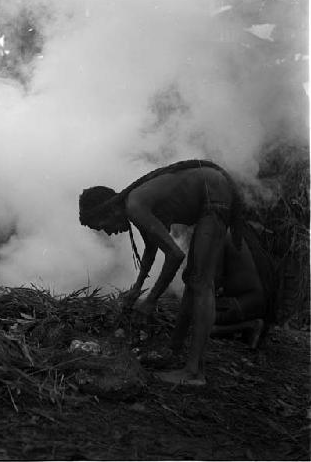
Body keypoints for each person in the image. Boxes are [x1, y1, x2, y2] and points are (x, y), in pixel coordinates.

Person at [79, 159, 243, 385]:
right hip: (213, 191)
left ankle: (194, 373)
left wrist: (150, 301)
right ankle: (175, 352)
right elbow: (151, 249)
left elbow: (175, 255)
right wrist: (136, 290)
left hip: (214, 194)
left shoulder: (134, 206)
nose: (109, 232)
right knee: (193, 278)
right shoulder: (134, 204)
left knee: (201, 282)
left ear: (108, 211)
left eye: (102, 226)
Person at [167, 222, 276, 359]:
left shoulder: (220, 233)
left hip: (243, 303)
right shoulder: (242, 230)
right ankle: (246, 325)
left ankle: (249, 326)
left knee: (196, 321)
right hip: (261, 304)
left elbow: (214, 280)